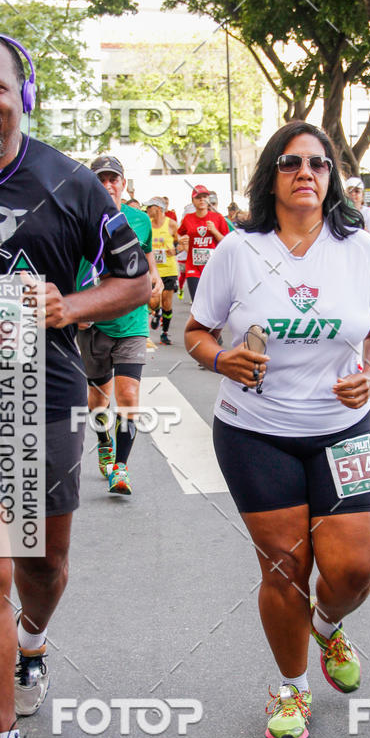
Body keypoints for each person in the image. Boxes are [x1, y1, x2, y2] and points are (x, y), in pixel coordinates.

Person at [0, 32, 150, 738]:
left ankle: (35, 642)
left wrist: (68, 306)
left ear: (23, 93)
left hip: (33, 391)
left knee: (41, 562)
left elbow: (137, 279)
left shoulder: (72, 184)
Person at [184, 121, 370, 738]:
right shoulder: (238, 250)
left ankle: (327, 625)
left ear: (331, 178)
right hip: (256, 430)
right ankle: (292, 688)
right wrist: (220, 359)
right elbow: (195, 330)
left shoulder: (360, 250)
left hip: (343, 428)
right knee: (285, 567)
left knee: (356, 566)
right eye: (290, 162)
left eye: (319, 164)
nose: (306, 172)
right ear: (270, 177)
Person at [76, 155, 162, 495]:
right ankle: (103, 440)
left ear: (123, 183)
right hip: (92, 321)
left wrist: (154, 278)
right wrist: (74, 308)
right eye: (102, 179)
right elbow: (68, 265)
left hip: (132, 320)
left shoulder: (140, 220)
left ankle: (121, 468)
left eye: (114, 179)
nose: (108, 185)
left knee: (128, 395)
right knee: (98, 399)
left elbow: (148, 258)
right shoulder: (79, 217)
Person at [178, 185, 228, 302]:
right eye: (198, 197)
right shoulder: (188, 218)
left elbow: (226, 242)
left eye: (204, 197)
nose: (201, 200)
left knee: (213, 304)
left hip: (213, 268)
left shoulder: (218, 218)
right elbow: (180, 235)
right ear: (193, 201)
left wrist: (215, 232)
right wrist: (182, 242)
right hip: (193, 268)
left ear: (208, 199)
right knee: (197, 304)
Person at [146, 196, 179, 345]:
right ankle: (156, 312)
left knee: (167, 303)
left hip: (169, 270)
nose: (147, 210)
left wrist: (175, 250)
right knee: (153, 302)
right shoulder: (148, 224)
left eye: (149, 207)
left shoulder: (171, 224)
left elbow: (182, 243)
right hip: (154, 271)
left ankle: (164, 333)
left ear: (158, 209)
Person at [345, 176, 370, 240]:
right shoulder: (339, 212)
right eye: (350, 191)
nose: (353, 194)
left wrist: (360, 225)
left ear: (362, 195)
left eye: (357, 191)